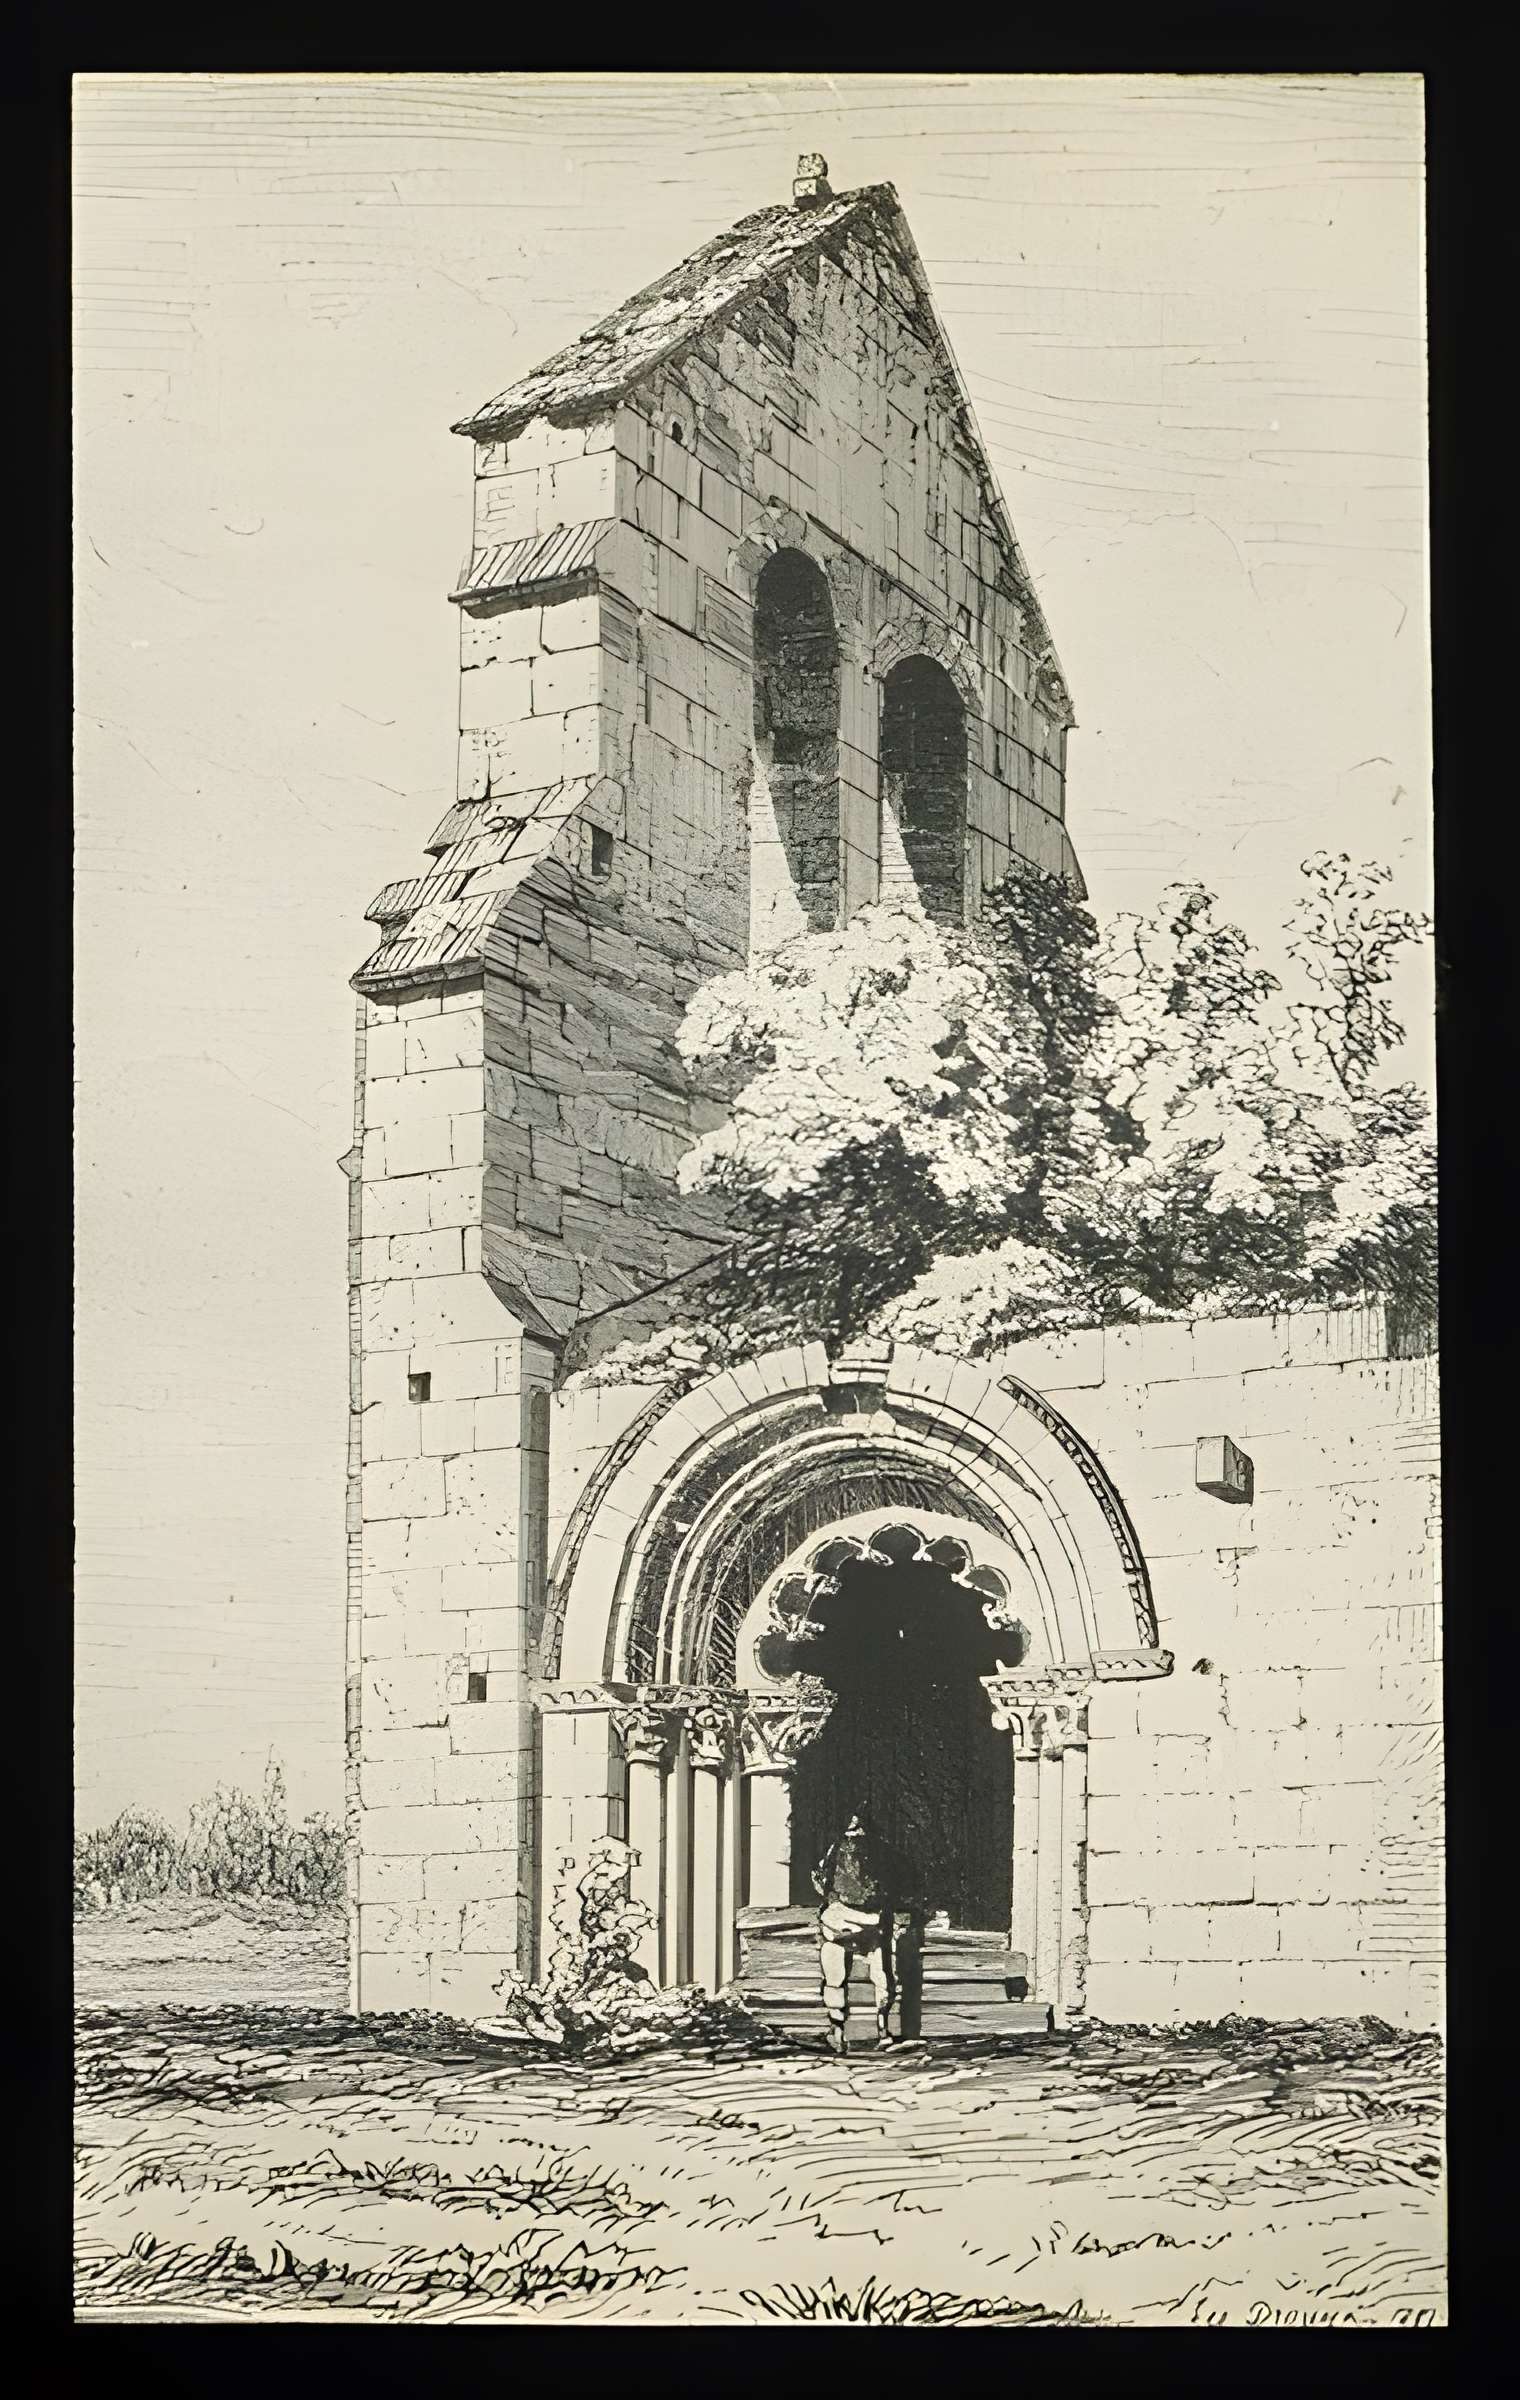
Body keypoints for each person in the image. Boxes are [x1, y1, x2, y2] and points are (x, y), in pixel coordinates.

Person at [811, 1808, 922, 2054]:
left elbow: (820, 1881)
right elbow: (903, 1883)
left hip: (838, 1918)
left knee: (835, 1977)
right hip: (876, 1918)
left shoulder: (834, 1848)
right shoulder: (885, 1851)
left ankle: (838, 2030)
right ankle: (883, 2030)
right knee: (883, 1975)